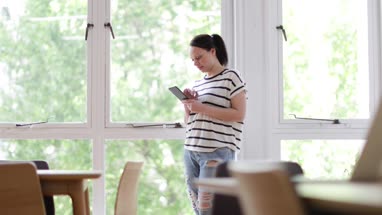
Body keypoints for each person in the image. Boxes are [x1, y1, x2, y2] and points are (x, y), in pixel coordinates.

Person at [182, 33, 247, 215]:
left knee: (210, 209)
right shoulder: (198, 84)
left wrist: (202, 107)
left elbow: (239, 114)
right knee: (198, 208)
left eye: (199, 57)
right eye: (193, 60)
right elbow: (189, 122)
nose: (196, 63)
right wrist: (188, 105)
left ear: (213, 51)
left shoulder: (231, 77)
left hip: (216, 151)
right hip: (191, 150)